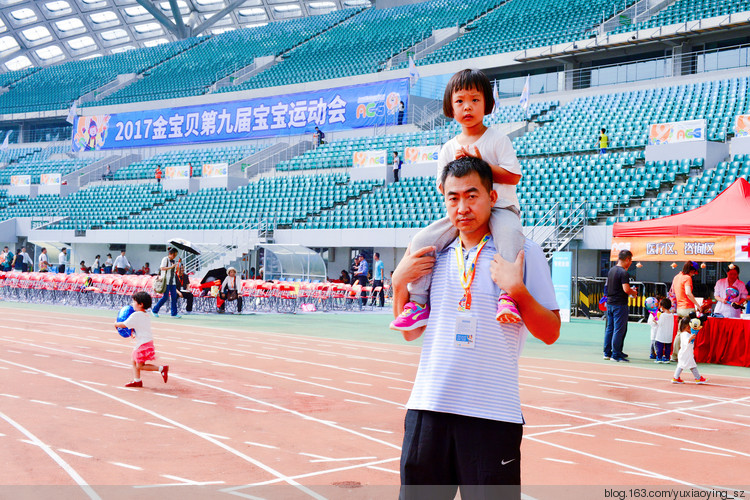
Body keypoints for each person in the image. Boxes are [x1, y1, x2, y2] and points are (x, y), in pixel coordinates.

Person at [392, 156, 560, 497]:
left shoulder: (522, 253)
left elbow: (551, 332)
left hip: (492, 415)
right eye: (453, 198)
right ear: (444, 199)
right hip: (428, 409)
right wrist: (399, 283)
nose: (463, 207)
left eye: (472, 195)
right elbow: (410, 331)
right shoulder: (432, 254)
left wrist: (517, 291)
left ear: (492, 198)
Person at [391, 69, 524, 333]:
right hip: (464, 214)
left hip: (499, 208)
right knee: (419, 241)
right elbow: (443, 186)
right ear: (450, 108)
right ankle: (417, 303)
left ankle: (507, 297)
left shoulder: (497, 139)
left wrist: (480, 164)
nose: (467, 107)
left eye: (475, 100)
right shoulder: (448, 148)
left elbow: (513, 176)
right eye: (460, 101)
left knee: (510, 234)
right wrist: (460, 167)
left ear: (487, 103)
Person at [115, 291, 169, 388]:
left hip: (142, 344)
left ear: (141, 304)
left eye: (134, 302)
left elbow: (124, 324)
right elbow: (138, 327)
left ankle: (161, 369)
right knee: (134, 360)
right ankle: (137, 380)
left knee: (140, 365)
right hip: (145, 342)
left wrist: (116, 324)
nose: (132, 304)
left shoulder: (136, 315)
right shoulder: (145, 315)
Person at [603, 250, 638, 362]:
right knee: (619, 329)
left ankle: (607, 352)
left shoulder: (611, 270)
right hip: (620, 304)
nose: (631, 262)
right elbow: (626, 289)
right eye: (631, 260)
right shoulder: (623, 273)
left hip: (610, 303)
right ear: (627, 259)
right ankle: (616, 354)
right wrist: (633, 292)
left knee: (610, 328)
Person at [671, 261, 701, 361]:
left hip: (679, 308)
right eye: (694, 272)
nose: (693, 275)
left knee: (679, 333)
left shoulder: (676, 277)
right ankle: (686, 355)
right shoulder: (687, 278)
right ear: (692, 270)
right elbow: (688, 293)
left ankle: (674, 355)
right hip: (688, 308)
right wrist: (697, 305)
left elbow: (673, 292)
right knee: (690, 333)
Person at [672, 315, 707, 384]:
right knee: (691, 365)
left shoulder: (687, 333)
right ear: (688, 326)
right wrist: (690, 338)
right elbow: (686, 342)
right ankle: (698, 378)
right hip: (685, 354)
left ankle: (676, 378)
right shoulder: (685, 334)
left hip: (686, 353)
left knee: (682, 365)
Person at [152, 248, 181, 318]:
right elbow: (162, 268)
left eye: (176, 255)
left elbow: (176, 271)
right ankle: (155, 310)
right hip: (166, 281)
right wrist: (171, 267)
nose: (174, 257)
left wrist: (177, 266)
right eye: (174, 255)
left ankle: (174, 313)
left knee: (174, 297)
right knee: (165, 297)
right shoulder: (165, 259)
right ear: (170, 254)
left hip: (172, 281)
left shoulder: (174, 261)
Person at [649, 298, 675, 363]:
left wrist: (655, 321)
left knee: (660, 347)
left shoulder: (662, 315)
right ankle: (667, 358)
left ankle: (659, 358)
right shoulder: (671, 315)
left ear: (662, 307)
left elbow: (660, 323)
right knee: (667, 347)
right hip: (669, 334)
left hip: (661, 334)